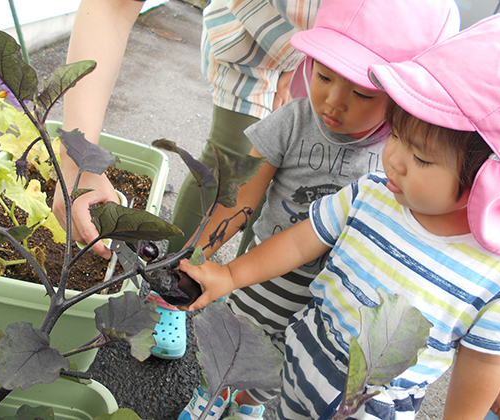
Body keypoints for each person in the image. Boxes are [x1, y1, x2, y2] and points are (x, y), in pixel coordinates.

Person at [179, 10, 500, 420]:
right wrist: (220, 269)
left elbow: (491, 356)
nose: (394, 161)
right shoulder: (373, 191)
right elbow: (293, 233)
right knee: (246, 352)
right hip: (289, 342)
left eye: (419, 157)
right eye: (397, 135)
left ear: (489, 181)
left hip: (367, 401)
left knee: (264, 375)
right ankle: (223, 396)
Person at [50, 0, 320, 358]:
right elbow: (113, 6)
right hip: (251, 37)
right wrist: (78, 161)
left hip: (340, 65)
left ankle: (245, 306)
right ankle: (174, 285)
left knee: (293, 193)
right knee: (233, 165)